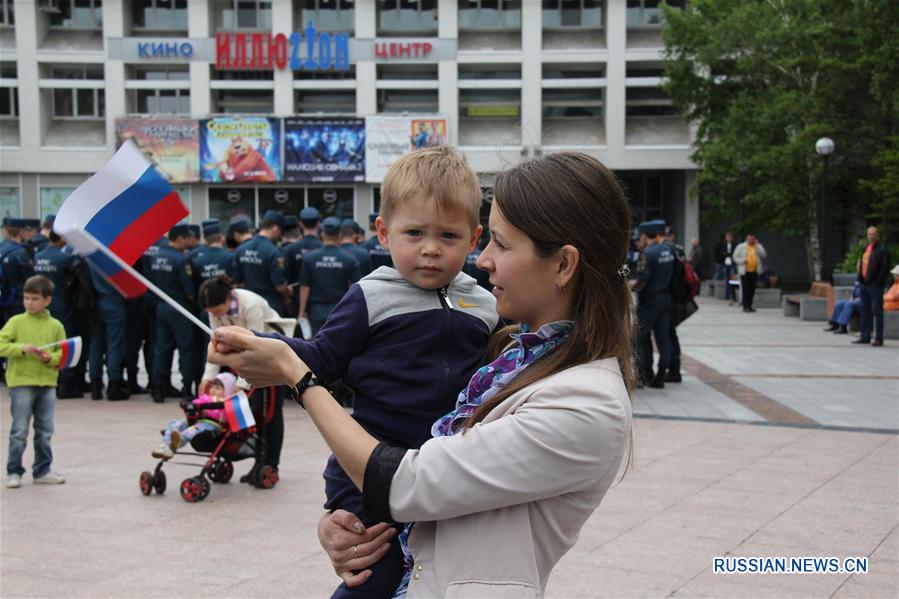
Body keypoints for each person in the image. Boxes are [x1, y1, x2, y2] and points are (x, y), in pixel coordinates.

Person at [207, 151, 634, 598]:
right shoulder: (516, 353)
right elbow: (326, 355)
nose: (482, 259)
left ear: (564, 264)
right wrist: (341, 525)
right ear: (384, 232)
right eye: (487, 241)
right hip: (388, 512)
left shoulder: (586, 401)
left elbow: (409, 485)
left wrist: (298, 377)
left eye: (499, 244)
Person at [1, 275, 67, 488]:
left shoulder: (56, 325)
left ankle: (42, 469)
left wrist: (52, 358)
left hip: (47, 383)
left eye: (34, 299)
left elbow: (64, 353)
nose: (29, 303)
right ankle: (14, 471)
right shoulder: (16, 322)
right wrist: (20, 349)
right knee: (19, 430)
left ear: (47, 300)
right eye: (26, 298)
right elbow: (2, 344)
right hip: (21, 382)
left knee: (45, 429)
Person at [149, 224, 200, 403]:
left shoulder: (156, 257)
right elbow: (190, 291)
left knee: (162, 348)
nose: (189, 241)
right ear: (179, 238)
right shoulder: (181, 260)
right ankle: (187, 388)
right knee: (186, 349)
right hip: (180, 308)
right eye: (187, 238)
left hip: (162, 306)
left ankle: (158, 387)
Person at [33, 231, 82, 398]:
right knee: (64, 343)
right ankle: (66, 382)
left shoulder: (39, 256)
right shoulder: (65, 258)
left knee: (46, 342)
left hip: (43, 307)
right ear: (61, 238)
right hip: (62, 306)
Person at [151, 372, 237, 460]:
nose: (213, 390)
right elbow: (197, 402)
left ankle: (178, 440)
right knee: (176, 423)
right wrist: (192, 406)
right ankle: (165, 444)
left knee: (191, 430)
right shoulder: (206, 398)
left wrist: (206, 410)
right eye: (212, 387)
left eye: (218, 388)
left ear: (228, 390)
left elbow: (224, 417)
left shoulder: (227, 404)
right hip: (197, 420)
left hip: (211, 425)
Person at [631, 219, 674, 388]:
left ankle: (644, 373)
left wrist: (631, 285)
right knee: (663, 338)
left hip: (650, 300)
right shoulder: (668, 249)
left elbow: (643, 280)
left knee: (640, 336)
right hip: (666, 298)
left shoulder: (648, 254)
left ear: (644, 235)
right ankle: (662, 374)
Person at [298, 217, 361, 335]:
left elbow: (305, 287)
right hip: (340, 308)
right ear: (340, 235)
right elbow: (355, 287)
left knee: (316, 344)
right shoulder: (349, 259)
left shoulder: (310, 258)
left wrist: (302, 311)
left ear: (322, 234)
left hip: (317, 309)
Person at [235, 210, 291, 316]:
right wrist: (288, 290)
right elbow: (279, 286)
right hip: (270, 305)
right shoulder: (274, 252)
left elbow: (238, 281)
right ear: (275, 228)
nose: (280, 235)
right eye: (280, 231)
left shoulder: (241, 249)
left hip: (248, 304)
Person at [854, 226, 891, 347]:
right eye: (869, 234)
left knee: (877, 311)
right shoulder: (866, 248)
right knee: (864, 310)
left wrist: (877, 281)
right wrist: (860, 278)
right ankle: (865, 336)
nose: (871, 236)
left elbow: (885, 268)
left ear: (877, 235)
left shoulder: (882, 249)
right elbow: (862, 263)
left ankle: (878, 338)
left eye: (873, 234)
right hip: (864, 283)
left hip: (875, 285)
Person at [733, 233, 766, 313]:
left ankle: (750, 305)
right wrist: (743, 260)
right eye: (749, 238)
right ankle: (745, 306)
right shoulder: (741, 247)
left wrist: (757, 246)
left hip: (755, 271)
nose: (751, 240)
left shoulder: (757, 246)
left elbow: (763, 255)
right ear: (746, 238)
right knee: (746, 288)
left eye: (752, 238)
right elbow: (735, 257)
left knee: (752, 289)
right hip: (744, 271)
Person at [715, 230, 737, 304]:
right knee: (727, 279)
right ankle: (727, 295)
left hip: (732, 264)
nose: (728, 238)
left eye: (729, 237)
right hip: (726, 263)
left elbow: (733, 253)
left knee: (733, 280)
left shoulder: (735, 244)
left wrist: (728, 254)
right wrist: (727, 254)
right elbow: (722, 253)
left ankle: (733, 295)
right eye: (727, 237)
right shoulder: (724, 244)